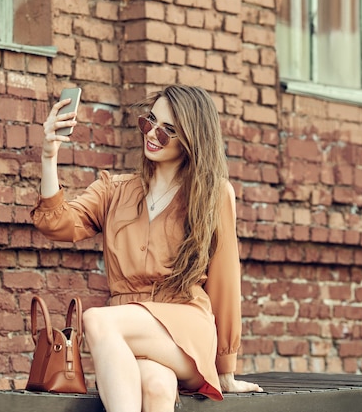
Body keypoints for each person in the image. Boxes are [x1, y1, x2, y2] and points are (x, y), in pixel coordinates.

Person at [30, 85, 263, 412]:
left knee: (97, 320)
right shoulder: (115, 190)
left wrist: (226, 370)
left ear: (190, 140)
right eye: (149, 122)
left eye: (167, 131)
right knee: (155, 387)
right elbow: (58, 224)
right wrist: (49, 155)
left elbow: (225, 280)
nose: (152, 134)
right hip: (130, 337)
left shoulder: (213, 194)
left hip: (184, 328)